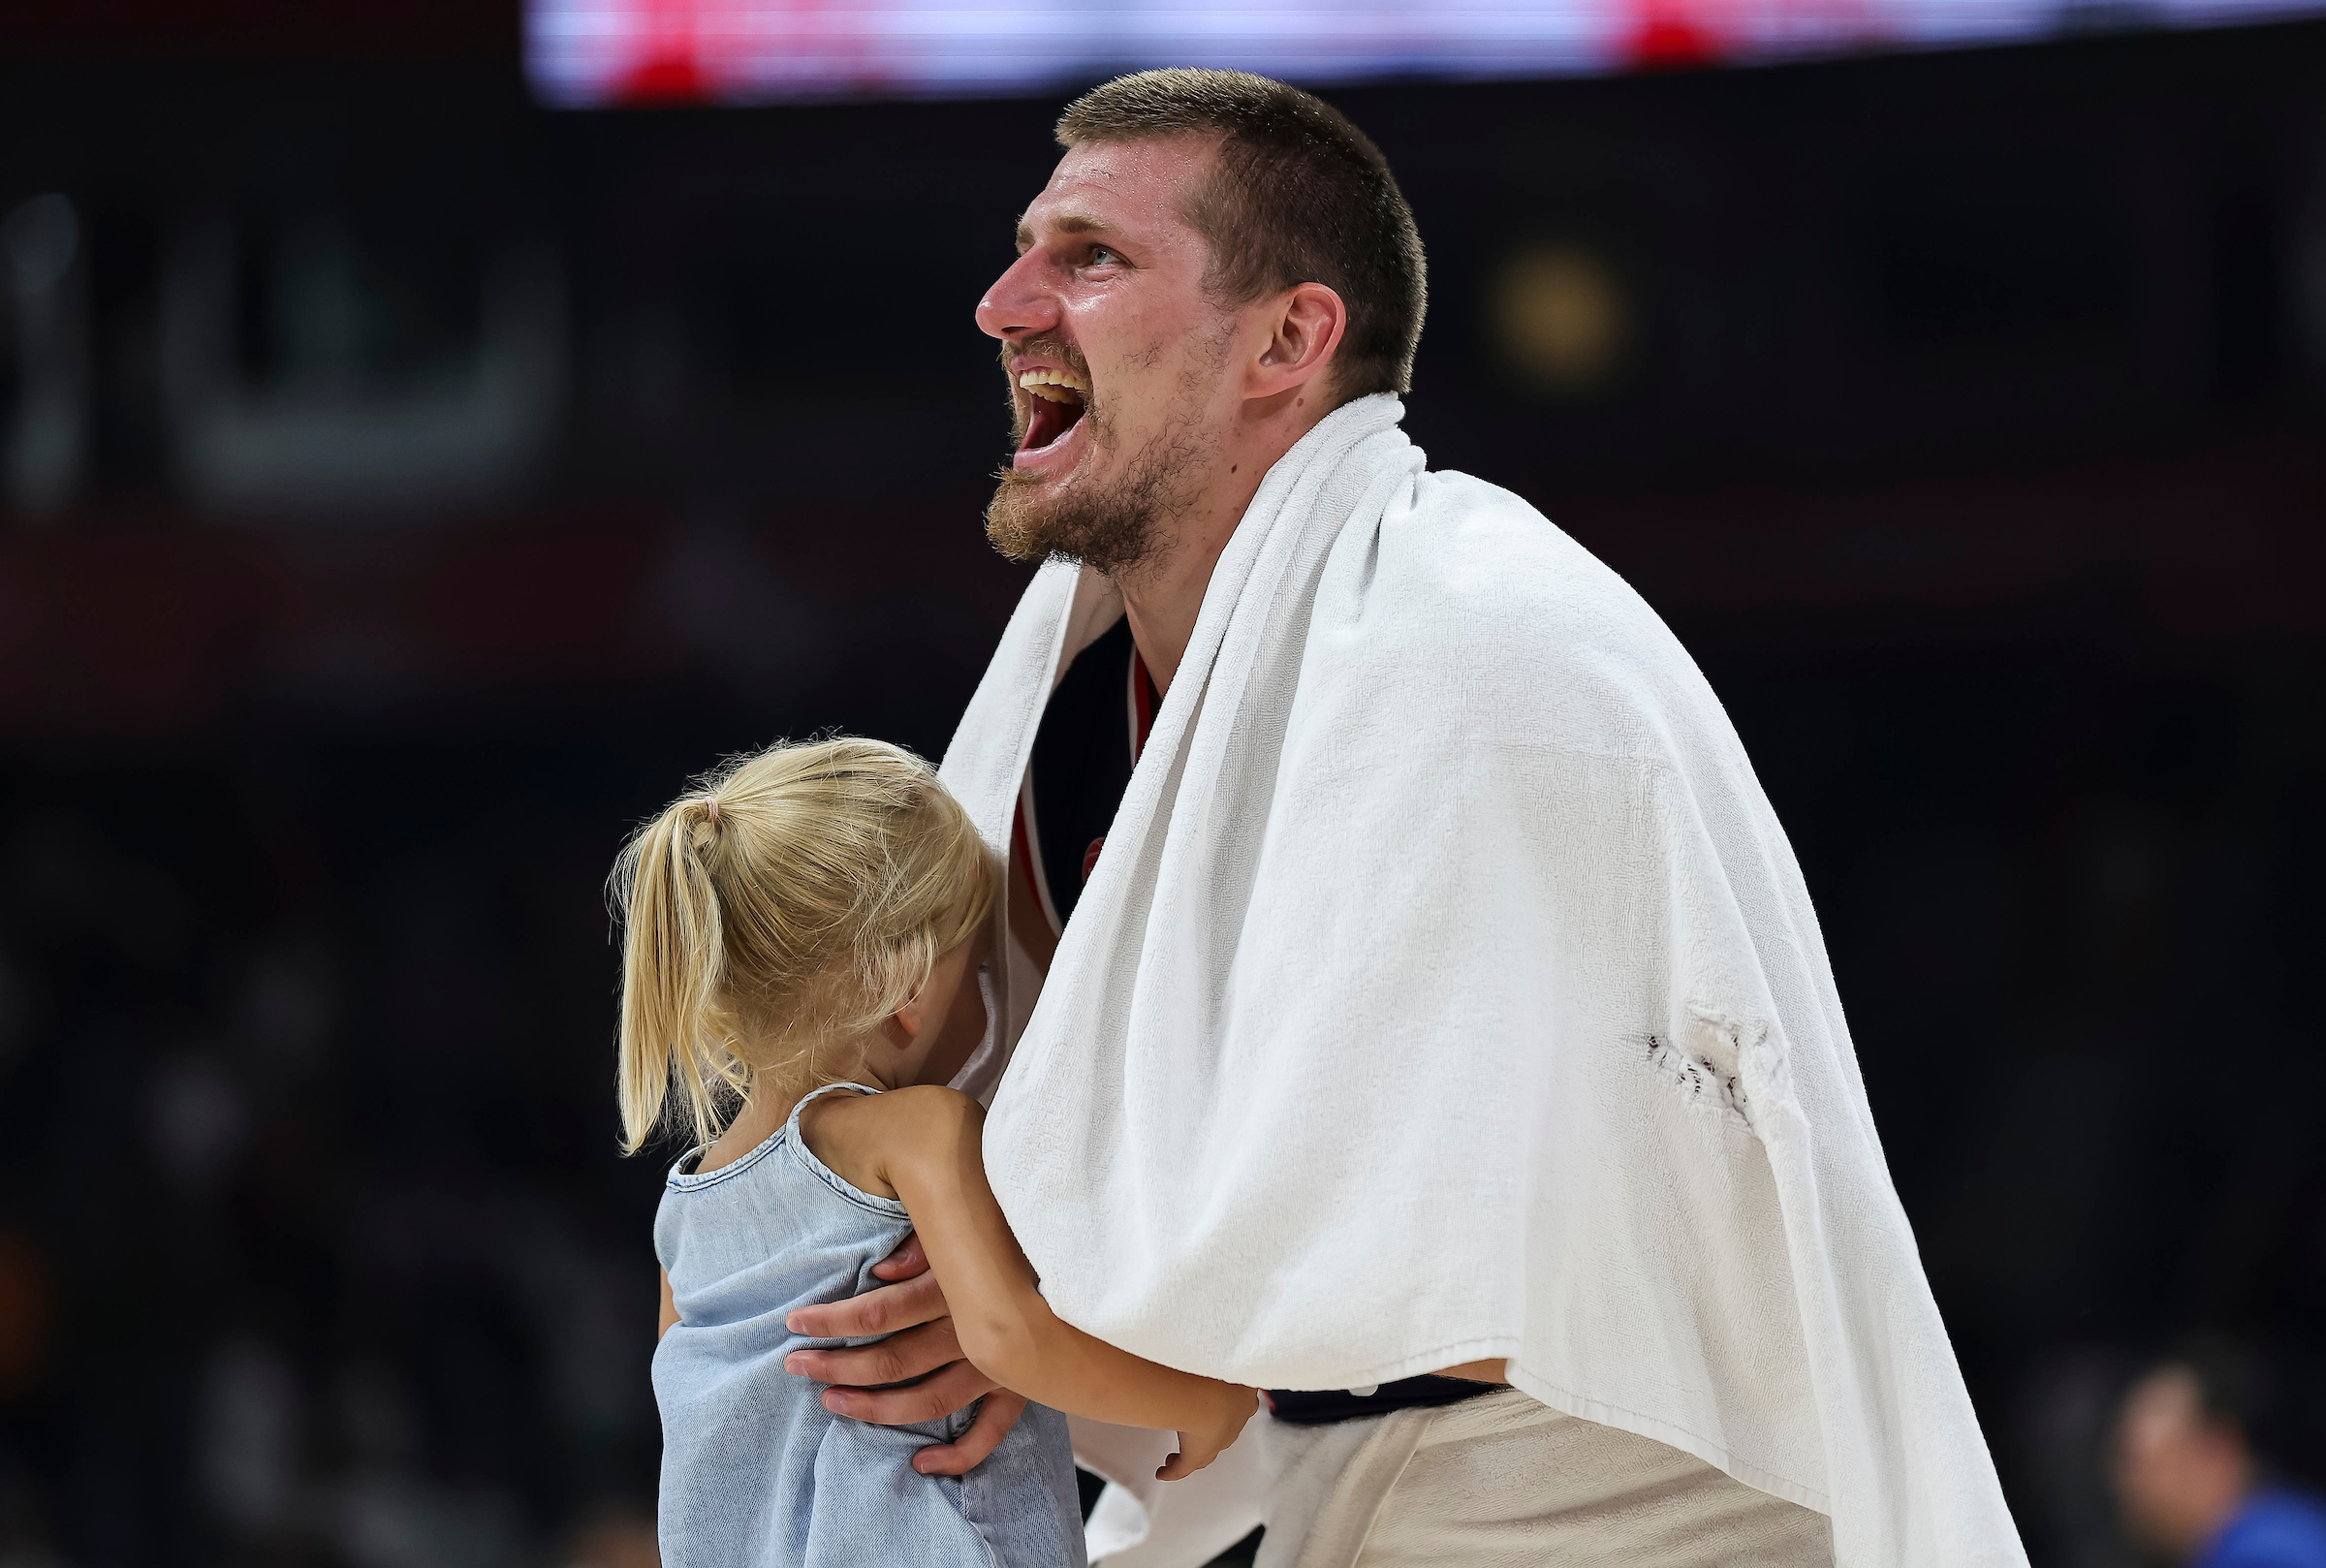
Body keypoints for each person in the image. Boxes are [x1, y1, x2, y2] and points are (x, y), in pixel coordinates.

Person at [784, 69, 2029, 1568]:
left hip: (1615, 1496)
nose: (1005, 303)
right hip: (1325, 1472)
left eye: (1090, 259)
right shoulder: (1066, 692)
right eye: (1027, 248)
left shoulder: (1479, 647)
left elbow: (1502, 1258)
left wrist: (1018, 1304)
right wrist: (969, 1293)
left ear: (1290, 340)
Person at [614, 737, 1256, 1568]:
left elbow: (695, 1435)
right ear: (907, 986)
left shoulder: (683, 1210)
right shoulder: (917, 1130)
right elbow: (1007, 1337)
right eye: (978, 966)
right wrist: (1207, 1401)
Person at [2114, 1346, 2326, 1568]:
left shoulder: (2262, 1556)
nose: (2126, 1485)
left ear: (2218, 1449)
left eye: (2146, 1465)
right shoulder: (2292, 1528)